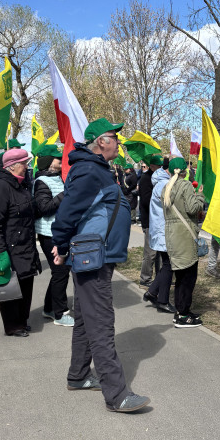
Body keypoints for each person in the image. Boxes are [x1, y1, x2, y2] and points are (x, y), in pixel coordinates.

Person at [51, 117, 150, 413]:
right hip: (93, 257)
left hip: (97, 255)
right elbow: (69, 210)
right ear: (103, 142)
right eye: (116, 138)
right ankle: (117, 394)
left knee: (84, 318)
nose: (119, 143)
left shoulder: (99, 170)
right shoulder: (89, 170)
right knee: (101, 322)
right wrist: (60, 241)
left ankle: (78, 375)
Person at [0, 148, 42, 337]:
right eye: (24, 163)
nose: (27, 166)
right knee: (10, 287)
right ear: (11, 166)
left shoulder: (22, 185)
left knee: (26, 283)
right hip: (8, 246)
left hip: (25, 243)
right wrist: (0, 251)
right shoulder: (1, 186)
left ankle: (22, 321)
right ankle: (12, 325)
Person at [162, 157, 205, 328]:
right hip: (184, 235)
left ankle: (180, 311)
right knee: (188, 276)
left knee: (180, 276)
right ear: (184, 171)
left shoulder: (167, 187)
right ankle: (183, 316)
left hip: (172, 234)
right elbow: (192, 208)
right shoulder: (185, 185)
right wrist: (200, 196)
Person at [33, 145, 73, 326]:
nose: (60, 161)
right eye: (58, 159)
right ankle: (59, 313)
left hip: (59, 231)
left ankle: (49, 308)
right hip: (49, 234)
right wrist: (66, 194)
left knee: (60, 272)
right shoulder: (41, 181)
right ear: (49, 162)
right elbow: (45, 208)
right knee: (60, 272)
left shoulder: (58, 178)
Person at [144, 157, 175, 313]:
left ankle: (153, 293)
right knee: (169, 266)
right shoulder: (164, 185)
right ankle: (162, 300)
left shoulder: (160, 182)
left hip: (161, 230)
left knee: (167, 265)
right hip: (164, 230)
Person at [138, 154, 163, 287]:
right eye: (158, 166)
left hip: (159, 221)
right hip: (150, 221)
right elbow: (146, 201)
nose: (160, 169)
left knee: (160, 251)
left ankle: (159, 276)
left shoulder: (157, 179)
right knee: (150, 253)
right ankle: (145, 278)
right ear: (152, 166)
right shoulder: (145, 179)